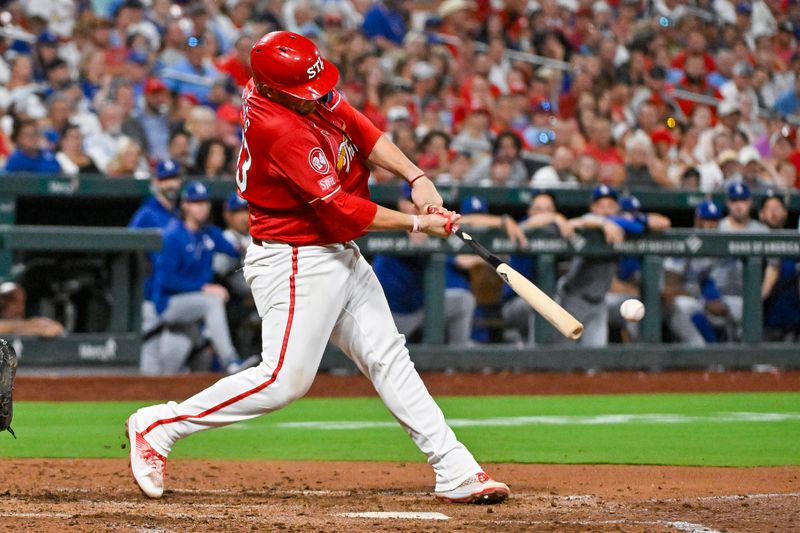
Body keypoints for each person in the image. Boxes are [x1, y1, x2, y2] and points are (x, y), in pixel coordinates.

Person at [125, 31, 510, 505]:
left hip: (333, 249)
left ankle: (455, 468)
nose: (318, 97)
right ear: (271, 89)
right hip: (295, 258)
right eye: (304, 92)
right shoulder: (278, 127)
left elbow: (359, 127)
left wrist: (418, 177)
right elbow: (341, 210)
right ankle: (159, 425)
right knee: (284, 380)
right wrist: (417, 223)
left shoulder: (297, 91)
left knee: (389, 358)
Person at [146, 180, 250, 375]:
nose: (202, 207)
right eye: (196, 202)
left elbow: (235, 249)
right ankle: (230, 361)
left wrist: (250, 246)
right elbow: (167, 281)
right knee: (212, 302)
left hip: (190, 308)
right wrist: (202, 287)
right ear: (185, 205)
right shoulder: (173, 234)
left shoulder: (208, 233)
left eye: (205, 202)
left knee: (167, 371)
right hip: (168, 304)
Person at [556, 185, 645, 347]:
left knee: (595, 361)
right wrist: (603, 223)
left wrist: (610, 223)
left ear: (617, 208)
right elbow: (577, 222)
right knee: (563, 358)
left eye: (610, 206)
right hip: (573, 299)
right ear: (593, 207)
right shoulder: (588, 224)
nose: (606, 211)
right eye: (602, 206)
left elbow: (643, 225)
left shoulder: (620, 226)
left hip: (599, 303)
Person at [128, 159, 183, 374]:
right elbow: (128, 248)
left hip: (176, 291)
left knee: (171, 360)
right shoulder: (147, 212)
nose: (170, 184)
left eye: (174, 178)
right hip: (151, 293)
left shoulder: (181, 212)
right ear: (157, 182)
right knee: (150, 362)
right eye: (165, 179)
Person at [0, 282, 64, 337]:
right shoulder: (28, 325)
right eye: (4, 299)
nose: (4, 304)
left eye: (12, 300)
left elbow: (56, 328)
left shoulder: (30, 323)